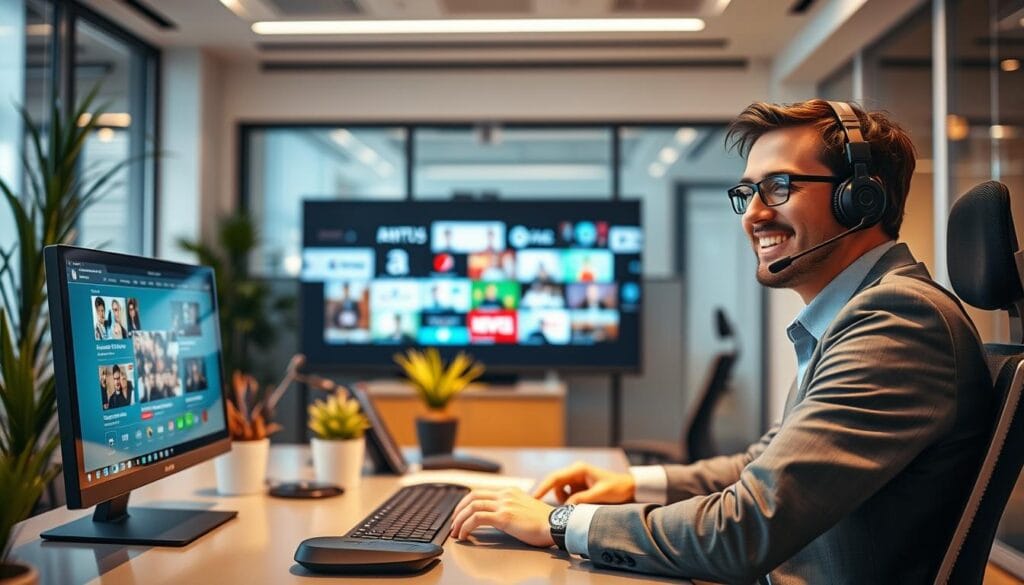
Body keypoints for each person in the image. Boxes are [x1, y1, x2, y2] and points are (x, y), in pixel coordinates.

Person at [447, 100, 993, 583]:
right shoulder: (856, 314)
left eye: (779, 187)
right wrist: (633, 481)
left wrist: (559, 522)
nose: (754, 213)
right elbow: (763, 465)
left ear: (861, 200)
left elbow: (746, 530)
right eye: (747, 192)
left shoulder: (896, 320)